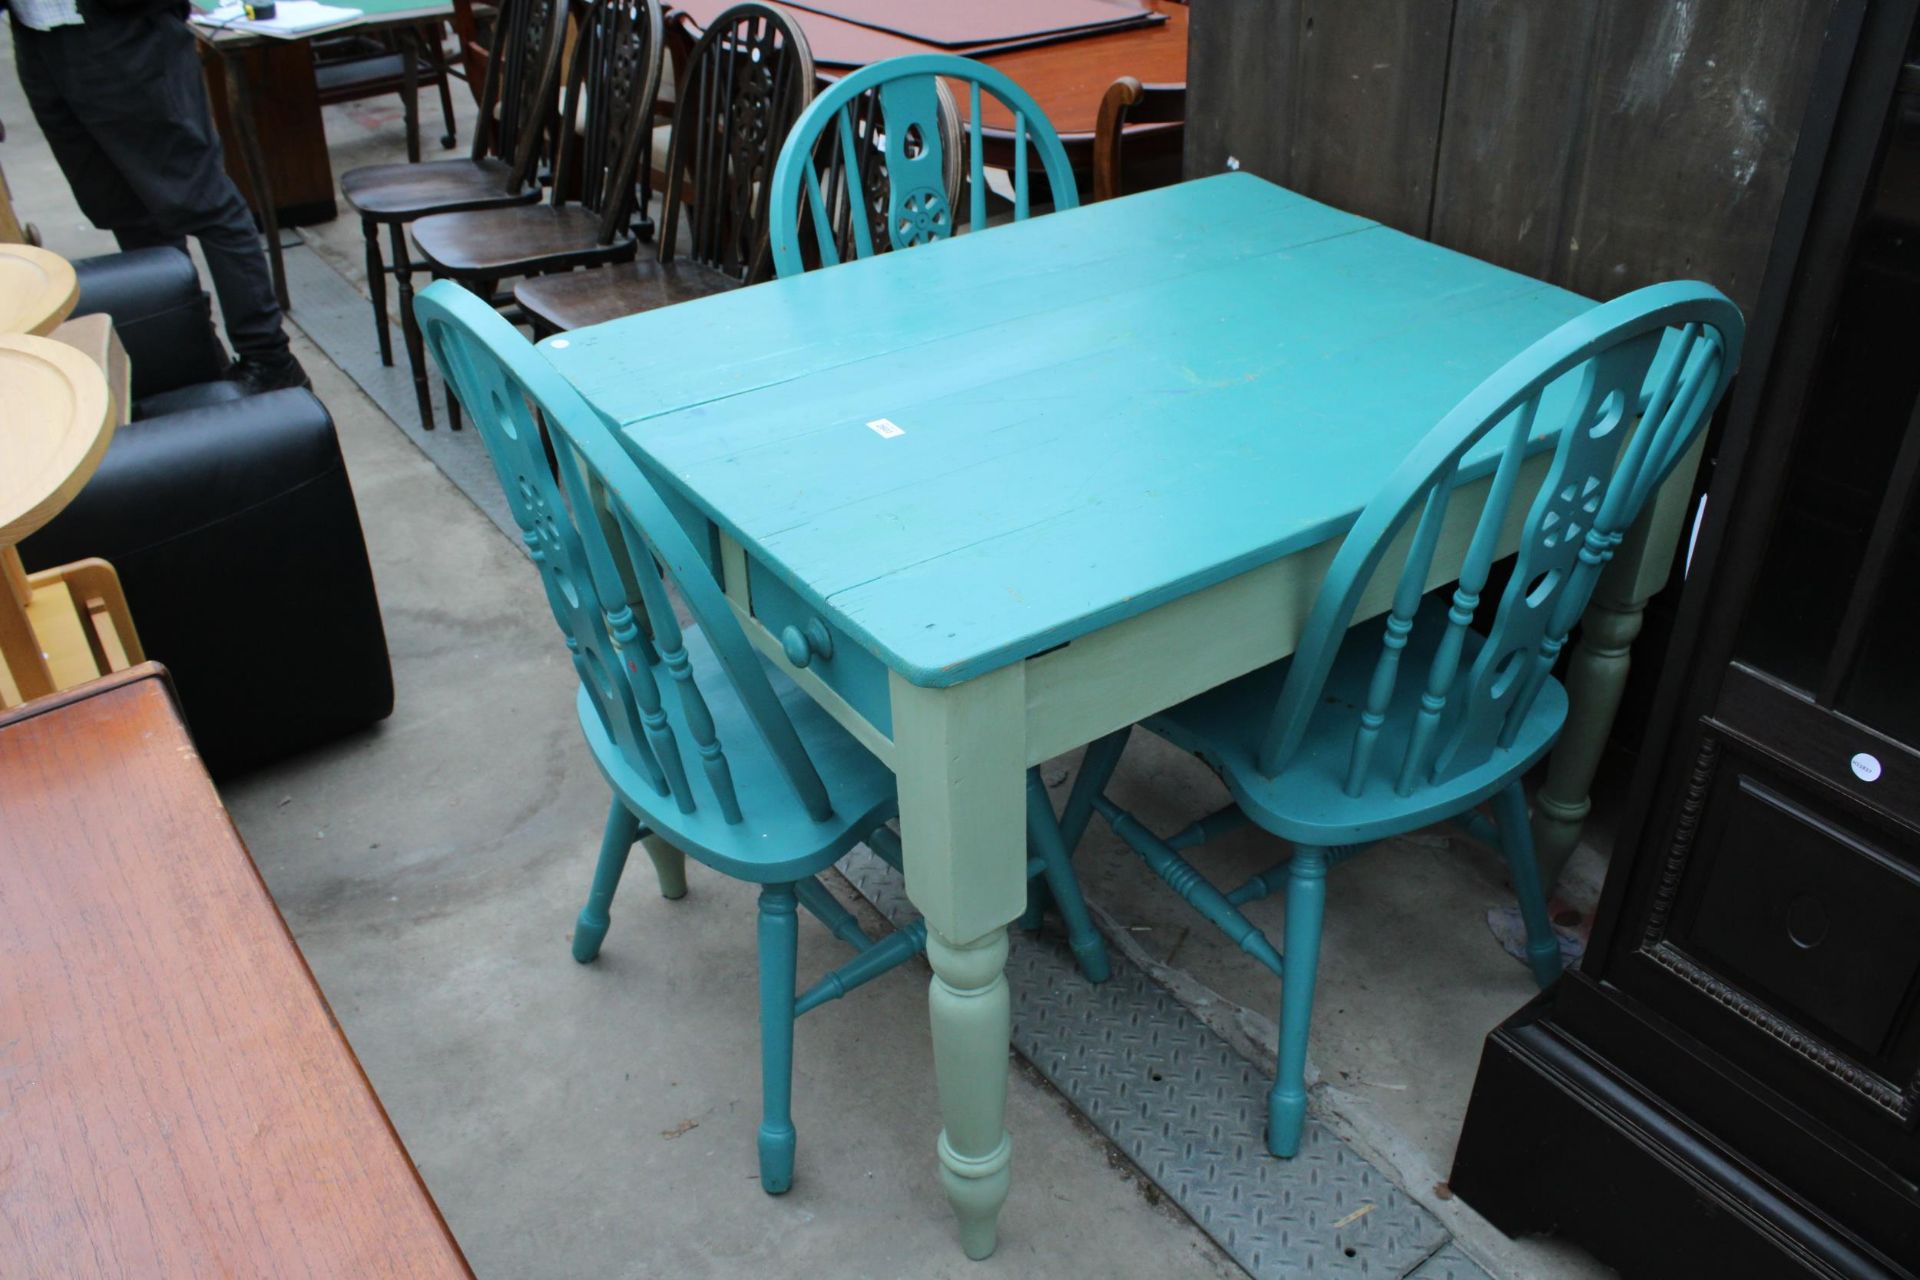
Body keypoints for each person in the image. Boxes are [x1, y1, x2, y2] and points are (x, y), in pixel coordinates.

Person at [10, 0, 309, 392]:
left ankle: (270, 360)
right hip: (36, 37)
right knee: (123, 210)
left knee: (204, 202)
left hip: (124, 32)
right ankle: (198, 355)